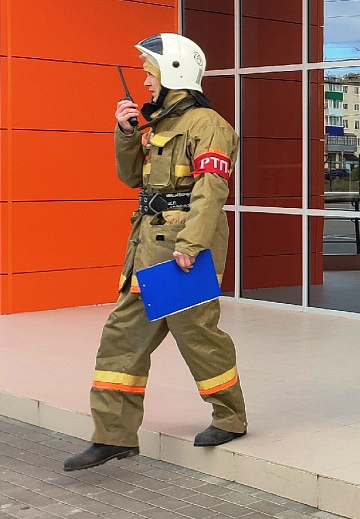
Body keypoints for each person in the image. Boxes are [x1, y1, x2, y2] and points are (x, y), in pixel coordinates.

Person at [64, 34, 245, 471]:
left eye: (150, 73)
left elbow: (211, 191)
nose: (145, 82)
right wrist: (127, 133)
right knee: (121, 338)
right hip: (146, 246)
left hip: (182, 250)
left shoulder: (208, 125)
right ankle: (113, 436)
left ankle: (230, 416)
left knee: (196, 335)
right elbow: (132, 179)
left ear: (174, 73)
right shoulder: (159, 124)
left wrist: (191, 245)